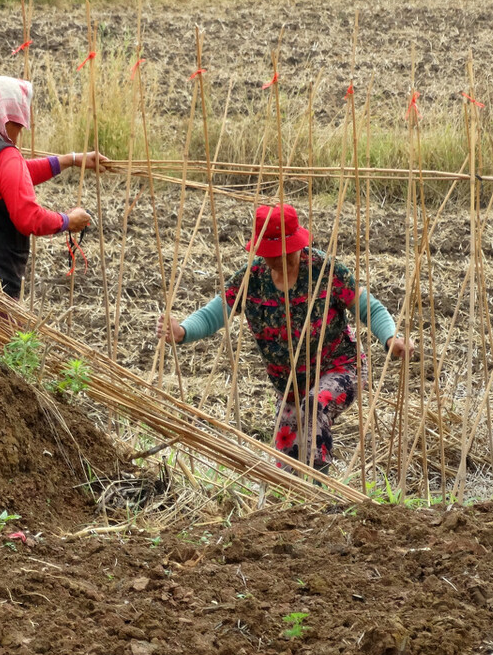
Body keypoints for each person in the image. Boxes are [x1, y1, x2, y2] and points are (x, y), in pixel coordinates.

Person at [158, 203, 410, 474]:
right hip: (289, 386)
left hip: (339, 368)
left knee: (314, 407)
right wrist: (181, 331)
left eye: (288, 254)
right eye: (272, 256)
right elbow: (216, 313)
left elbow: (368, 307)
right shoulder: (252, 278)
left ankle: (318, 494)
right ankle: (293, 506)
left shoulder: (325, 271)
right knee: (286, 464)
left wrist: (390, 338)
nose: (283, 261)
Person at [0, 74, 108, 298]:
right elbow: (28, 218)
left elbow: (13, 177)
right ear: (4, 117)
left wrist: (70, 160)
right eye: (17, 122)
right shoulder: (4, 155)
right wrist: (67, 221)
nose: (20, 130)